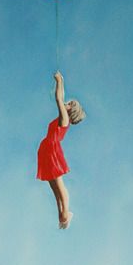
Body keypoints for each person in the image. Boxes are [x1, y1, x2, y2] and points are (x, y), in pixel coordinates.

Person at [36, 71, 86, 229]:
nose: (67, 103)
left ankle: (65, 214)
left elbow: (59, 98)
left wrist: (59, 81)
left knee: (59, 184)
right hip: (46, 148)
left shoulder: (65, 119)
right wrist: (61, 81)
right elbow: (61, 97)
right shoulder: (62, 118)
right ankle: (62, 215)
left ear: (71, 110)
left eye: (70, 104)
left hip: (51, 149)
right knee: (53, 186)